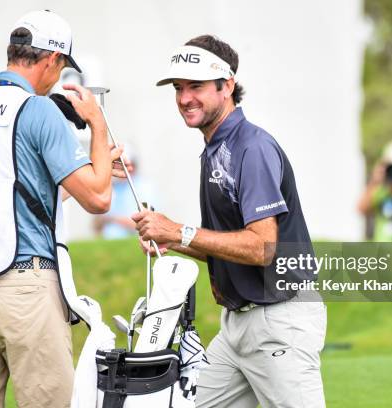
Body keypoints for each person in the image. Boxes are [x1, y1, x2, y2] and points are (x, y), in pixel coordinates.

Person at [0, 10, 125, 407]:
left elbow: (11, 195)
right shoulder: (40, 110)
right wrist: (97, 125)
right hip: (24, 290)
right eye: (63, 67)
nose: (61, 77)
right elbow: (99, 198)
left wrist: (91, 172)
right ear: (52, 60)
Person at [132, 35, 327, 408]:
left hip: (279, 320)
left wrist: (178, 230)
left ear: (227, 86)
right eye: (178, 88)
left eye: (196, 86)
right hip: (238, 327)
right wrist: (174, 242)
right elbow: (230, 247)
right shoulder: (216, 148)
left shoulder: (251, 148)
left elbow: (262, 247)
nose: (184, 98)